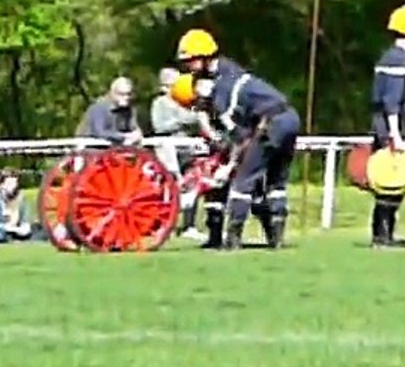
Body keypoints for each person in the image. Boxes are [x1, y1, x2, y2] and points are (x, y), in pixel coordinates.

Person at [175, 29, 301, 250]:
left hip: (270, 123)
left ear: (205, 57)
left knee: (244, 179)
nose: (188, 67)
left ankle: (233, 239)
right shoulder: (231, 72)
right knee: (276, 181)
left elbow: (240, 138)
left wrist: (229, 167)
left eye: (190, 61)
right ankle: (277, 238)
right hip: (290, 117)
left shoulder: (224, 88)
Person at [368, 4, 405, 247]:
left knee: (389, 181)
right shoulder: (398, 59)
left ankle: (383, 234)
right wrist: (396, 136)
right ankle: (383, 236)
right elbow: (391, 102)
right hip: (388, 126)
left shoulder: (389, 56)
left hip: (382, 124)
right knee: (390, 181)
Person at [151, 66, 203, 240]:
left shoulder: (185, 103)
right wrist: (181, 121)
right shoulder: (159, 104)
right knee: (168, 186)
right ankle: (164, 224)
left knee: (193, 183)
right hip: (167, 151)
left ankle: (189, 225)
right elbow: (159, 126)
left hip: (186, 149)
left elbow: (195, 119)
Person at [0, 169, 43, 244]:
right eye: (9, 183)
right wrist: (14, 229)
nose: (12, 186)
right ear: (1, 184)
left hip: (14, 230)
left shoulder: (19, 197)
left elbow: (24, 218)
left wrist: (25, 227)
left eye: (14, 183)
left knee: (40, 228)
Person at [76, 76, 144, 146]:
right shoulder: (99, 107)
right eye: (121, 94)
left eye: (128, 94)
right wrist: (125, 136)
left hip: (116, 147)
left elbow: (134, 128)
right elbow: (100, 133)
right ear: (112, 93)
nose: (126, 97)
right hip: (89, 147)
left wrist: (137, 135)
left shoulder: (129, 110)